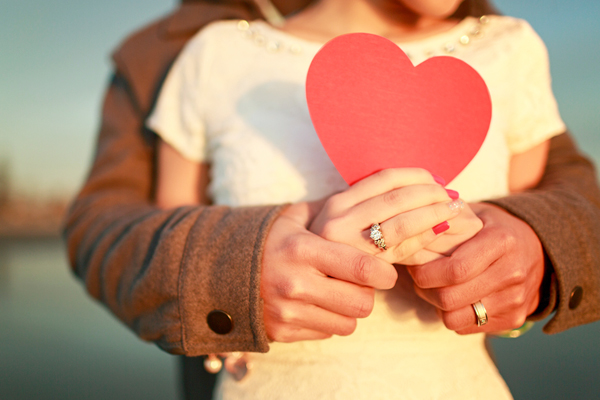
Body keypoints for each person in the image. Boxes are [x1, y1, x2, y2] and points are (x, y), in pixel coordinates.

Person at [63, 0, 600, 398]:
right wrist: (233, 266)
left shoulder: (510, 48)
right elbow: (153, 236)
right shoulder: (214, 54)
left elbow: (549, 218)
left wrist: (521, 256)